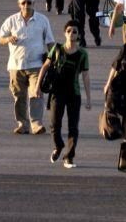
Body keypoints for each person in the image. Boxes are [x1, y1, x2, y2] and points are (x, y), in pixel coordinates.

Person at [34, 20, 91, 169]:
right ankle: (58, 146)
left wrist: (88, 98)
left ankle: (69, 157)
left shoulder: (82, 54)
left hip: (74, 93)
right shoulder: (57, 49)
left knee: (73, 127)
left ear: (78, 35)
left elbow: (85, 76)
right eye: (69, 31)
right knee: (54, 124)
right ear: (64, 33)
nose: (71, 34)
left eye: (75, 31)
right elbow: (45, 67)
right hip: (57, 93)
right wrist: (37, 87)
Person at [0, 0, 55, 135]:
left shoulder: (42, 20)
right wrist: (8, 39)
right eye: (23, 3)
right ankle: (23, 124)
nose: (26, 5)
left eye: (29, 2)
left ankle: (36, 124)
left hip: (36, 65)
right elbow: (0, 38)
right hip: (16, 65)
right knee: (19, 97)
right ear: (19, 4)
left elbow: (50, 41)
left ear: (33, 3)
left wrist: (54, 59)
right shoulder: (11, 21)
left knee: (36, 94)